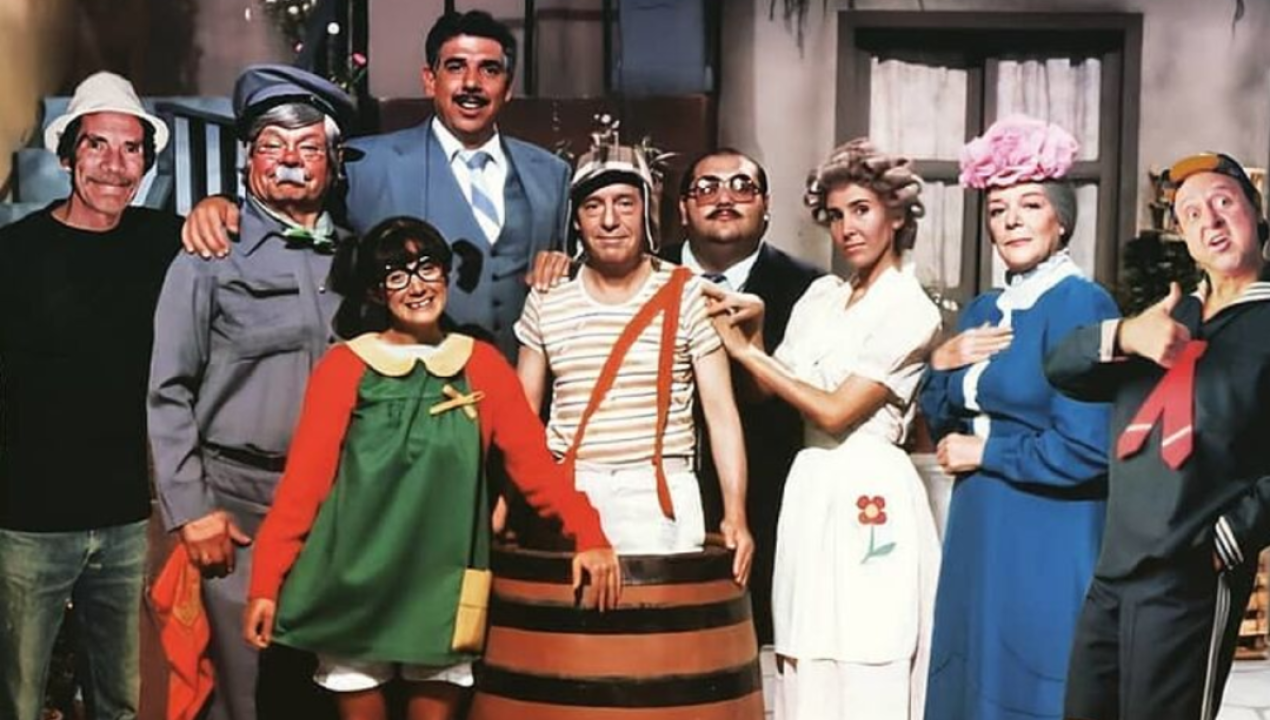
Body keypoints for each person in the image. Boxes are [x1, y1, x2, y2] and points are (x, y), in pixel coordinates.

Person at [243, 216, 620, 720]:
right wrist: (265, 583)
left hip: (442, 584)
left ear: (445, 273)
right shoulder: (345, 368)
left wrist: (588, 533)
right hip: (354, 581)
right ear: (376, 292)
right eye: (396, 275)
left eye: (426, 267)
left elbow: (535, 468)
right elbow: (302, 488)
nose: (416, 285)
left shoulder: (482, 365)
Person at [148, 65, 355, 720]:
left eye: (308, 146)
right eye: (272, 145)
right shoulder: (209, 254)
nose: (289, 160)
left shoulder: (359, 259)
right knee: (246, 697)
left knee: (339, 690)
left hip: (340, 510)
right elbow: (167, 390)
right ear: (248, 160)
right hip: (239, 512)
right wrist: (192, 511)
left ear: (334, 162)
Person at [182, 10, 570, 359]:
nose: (472, 83)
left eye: (489, 70)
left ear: (508, 87)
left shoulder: (550, 174)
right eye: (456, 67)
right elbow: (291, 204)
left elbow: (572, 278)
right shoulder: (365, 164)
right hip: (405, 392)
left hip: (521, 393)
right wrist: (223, 203)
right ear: (429, 80)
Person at [708, 138, 941, 719]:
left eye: (861, 210)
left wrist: (747, 353)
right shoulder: (821, 296)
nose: (847, 229)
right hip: (810, 482)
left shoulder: (910, 307)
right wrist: (757, 334)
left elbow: (835, 411)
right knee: (805, 642)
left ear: (896, 214)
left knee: (868, 645)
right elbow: (770, 392)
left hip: (869, 486)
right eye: (835, 216)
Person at [1046, 152, 1270, 720]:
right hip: (1114, 570)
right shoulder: (1168, 317)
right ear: (1185, 239)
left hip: (1190, 574)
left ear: (1255, 211)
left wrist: (1233, 537)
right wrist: (1126, 334)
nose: (1210, 220)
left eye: (1224, 202)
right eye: (1191, 213)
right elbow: (1062, 368)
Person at [918, 115, 1118, 720]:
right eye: (998, 210)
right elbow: (941, 420)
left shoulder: (1083, 303)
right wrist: (942, 362)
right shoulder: (984, 308)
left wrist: (986, 453)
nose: (1012, 221)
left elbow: (1090, 449)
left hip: (1047, 530)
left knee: (1034, 683)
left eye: (1031, 205)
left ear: (1062, 221)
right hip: (980, 524)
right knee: (973, 676)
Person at [0, 71, 178, 720]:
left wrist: (221, 206)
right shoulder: (13, 253)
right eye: (97, 144)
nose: (114, 164)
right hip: (28, 520)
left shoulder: (164, 241)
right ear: (67, 155)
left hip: (126, 519)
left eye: (131, 149)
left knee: (119, 701)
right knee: (18, 698)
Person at [514, 133, 754, 584]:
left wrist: (735, 513)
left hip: (660, 495)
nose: (610, 220)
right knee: (569, 629)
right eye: (593, 206)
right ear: (576, 220)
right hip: (571, 493)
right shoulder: (547, 297)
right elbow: (521, 418)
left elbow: (721, 413)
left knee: (658, 627)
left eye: (625, 203)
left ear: (646, 210)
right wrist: (506, 506)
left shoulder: (686, 292)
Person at [666, 148, 822, 644]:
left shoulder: (812, 289)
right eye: (706, 188)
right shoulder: (645, 274)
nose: (724, 198)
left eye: (742, 187)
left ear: (766, 206)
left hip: (766, 504)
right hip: (654, 501)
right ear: (683, 209)